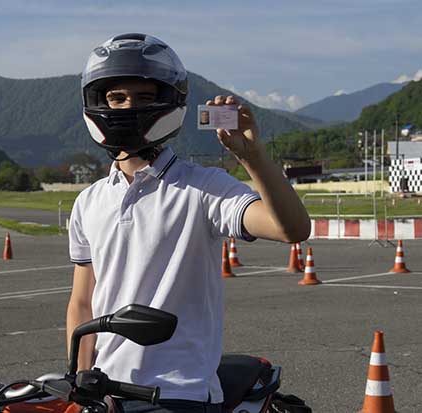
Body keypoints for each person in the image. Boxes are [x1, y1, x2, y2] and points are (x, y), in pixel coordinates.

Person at [66, 33, 310, 413]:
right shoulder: (88, 202)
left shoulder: (203, 186)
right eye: (117, 97)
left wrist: (253, 156)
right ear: (98, 103)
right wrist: (81, 380)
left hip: (181, 393)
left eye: (144, 97)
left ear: (168, 102)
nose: (129, 107)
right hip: (107, 391)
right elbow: (83, 302)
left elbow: (291, 229)